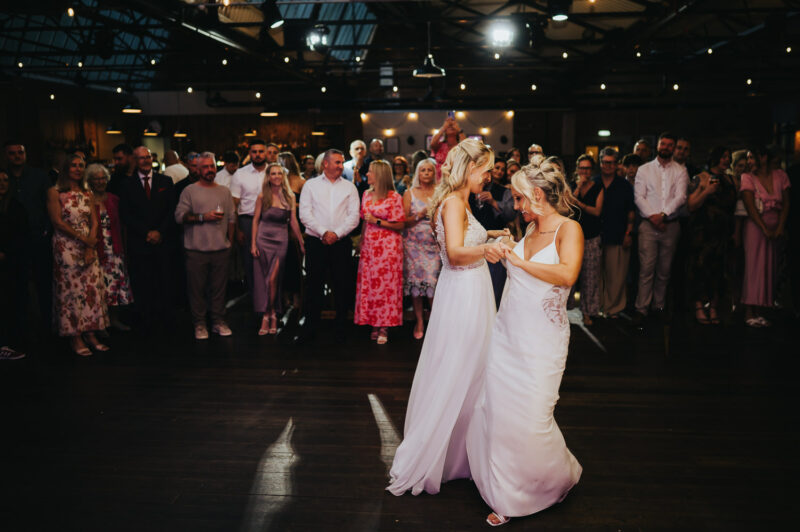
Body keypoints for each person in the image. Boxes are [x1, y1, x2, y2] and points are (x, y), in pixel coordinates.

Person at [466, 157, 583, 527]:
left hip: (544, 340)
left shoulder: (569, 229)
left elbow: (566, 274)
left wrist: (517, 261)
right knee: (501, 414)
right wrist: (505, 249)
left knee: (534, 416)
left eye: (518, 199)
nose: (514, 206)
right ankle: (507, 494)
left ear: (536, 195)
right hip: (508, 334)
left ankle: (552, 478)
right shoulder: (528, 232)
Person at [387, 139, 507, 496]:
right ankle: (443, 453)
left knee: (471, 371)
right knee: (460, 369)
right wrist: (486, 249)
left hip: (470, 290)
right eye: (485, 170)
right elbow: (455, 254)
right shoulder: (454, 203)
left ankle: (462, 454)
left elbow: (463, 241)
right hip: (464, 293)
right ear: (470, 169)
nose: (487, 177)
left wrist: (492, 234)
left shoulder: (459, 202)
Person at [47, 155, 109, 355]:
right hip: (67, 246)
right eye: (73, 165)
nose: (77, 168)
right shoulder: (55, 192)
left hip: (87, 245)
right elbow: (57, 221)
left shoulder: (87, 192)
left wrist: (91, 243)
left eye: (81, 165)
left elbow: (94, 221)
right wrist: (83, 240)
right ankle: (75, 335)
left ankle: (90, 332)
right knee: (71, 292)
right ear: (66, 167)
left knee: (91, 289)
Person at [297, 149, 360, 343]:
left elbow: (354, 216)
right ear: (325, 164)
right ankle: (310, 329)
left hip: (341, 243)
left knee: (342, 285)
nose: (341, 166)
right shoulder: (310, 186)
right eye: (338, 162)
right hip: (316, 241)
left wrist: (337, 234)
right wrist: (324, 232)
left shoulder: (350, 188)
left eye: (342, 163)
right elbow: (305, 214)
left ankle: (341, 329)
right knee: (314, 285)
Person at [174, 152, 236, 339]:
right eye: (205, 167)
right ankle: (200, 324)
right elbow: (179, 217)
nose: (210, 170)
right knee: (197, 290)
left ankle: (218, 321)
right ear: (198, 170)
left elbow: (232, 218)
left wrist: (230, 243)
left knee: (219, 290)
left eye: (212, 166)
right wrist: (203, 217)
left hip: (220, 249)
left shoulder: (224, 191)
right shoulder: (190, 191)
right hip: (196, 251)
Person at [633, 132, 688, 319]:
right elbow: (639, 196)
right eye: (663, 144)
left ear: (673, 148)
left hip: (670, 225)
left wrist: (663, 216)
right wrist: (653, 217)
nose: (666, 147)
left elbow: (681, 197)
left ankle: (659, 306)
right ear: (657, 146)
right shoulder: (644, 169)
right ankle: (641, 308)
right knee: (646, 269)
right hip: (648, 225)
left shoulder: (680, 170)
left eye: (669, 145)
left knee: (664, 270)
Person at [119, 146, 174, 330]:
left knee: (164, 282)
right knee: (143, 283)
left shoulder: (165, 181)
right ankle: (145, 322)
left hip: (162, 241)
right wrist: (146, 233)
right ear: (135, 160)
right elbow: (126, 215)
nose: (145, 160)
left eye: (148, 157)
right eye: (141, 158)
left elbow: (171, 211)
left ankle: (165, 321)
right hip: (139, 242)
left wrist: (160, 232)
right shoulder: (127, 184)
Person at [354, 160, 405, 344]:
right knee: (371, 285)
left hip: (388, 247)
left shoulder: (394, 197)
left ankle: (384, 325)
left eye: (370, 172)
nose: (367, 174)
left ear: (380, 175)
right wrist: (361, 241)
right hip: (369, 246)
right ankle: (373, 322)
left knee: (385, 286)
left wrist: (377, 221)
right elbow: (364, 222)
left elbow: (400, 225)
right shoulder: (366, 195)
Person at [4, 140, 52, 333]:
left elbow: (49, 204)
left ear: (25, 155)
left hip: (39, 235)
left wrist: (47, 230)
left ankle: (48, 324)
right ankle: (22, 326)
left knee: (44, 283)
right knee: (18, 284)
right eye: (12, 153)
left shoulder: (39, 176)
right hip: (14, 241)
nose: (16, 156)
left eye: (20, 152)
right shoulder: (3, 177)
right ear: (6, 155)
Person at [740, 146, 791, 327]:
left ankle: (761, 310)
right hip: (756, 226)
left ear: (763, 157)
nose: (749, 162)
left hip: (776, 223)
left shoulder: (780, 175)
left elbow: (786, 203)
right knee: (754, 266)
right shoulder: (747, 177)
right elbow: (749, 206)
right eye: (748, 159)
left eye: (752, 158)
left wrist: (780, 226)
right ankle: (748, 311)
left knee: (769, 266)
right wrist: (763, 228)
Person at [251, 163, 304, 336]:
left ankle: (268, 314)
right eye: (273, 173)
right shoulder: (262, 196)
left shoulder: (289, 196)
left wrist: (302, 242)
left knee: (272, 279)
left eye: (279, 173)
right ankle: (270, 313)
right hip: (262, 239)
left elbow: (294, 222)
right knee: (263, 279)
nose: (276, 176)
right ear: (268, 176)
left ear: (283, 176)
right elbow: (255, 221)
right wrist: (253, 243)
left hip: (281, 240)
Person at [686, 147, 737, 324]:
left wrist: (735, 232)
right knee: (700, 269)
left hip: (723, 233)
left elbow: (735, 210)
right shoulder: (700, 178)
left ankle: (714, 307)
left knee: (719, 271)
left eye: (728, 157)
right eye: (723, 157)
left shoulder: (732, 180)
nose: (726, 160)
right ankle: (699, 306)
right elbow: (691, 205)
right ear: (714, 158)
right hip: (703, 233)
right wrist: (706, 191)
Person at [85, 164, 133, 331]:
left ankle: (114, 319)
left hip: (115, 249)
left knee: (115, 287)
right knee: (99, 288)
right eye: (96, 178)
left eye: (103, 178)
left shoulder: (114, 199)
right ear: (89, 181)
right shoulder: (86, 199)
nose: (100, 181)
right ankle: (100, 323)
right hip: (96, 249)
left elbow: (123, 225)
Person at [403, 158, 441, 340]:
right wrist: (419, 214)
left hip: (433, 246)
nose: (426, 173)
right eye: (423, 170)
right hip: (413, 246)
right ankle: (419, 321)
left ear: (434, 173)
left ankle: (434, 323)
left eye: (429, 170)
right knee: (416, 286)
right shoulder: (409, 193)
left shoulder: (440, 192)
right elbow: (403, 221)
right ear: (417, 173)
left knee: (432, 283)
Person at [471, 158, 516, 306]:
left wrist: (493, 202)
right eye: (495, 168)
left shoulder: (505, 191)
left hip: (495, 243)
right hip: (474, 244)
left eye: (502, 170)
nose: (498, 172)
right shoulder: (471, 190)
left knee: (495, 285)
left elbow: (510, 215)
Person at [597, 149, 635, 318]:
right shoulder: (594, 182)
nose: (609, 166)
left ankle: (614, 309)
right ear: (600, 163)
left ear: (617, 164)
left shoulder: (624, 185)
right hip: (596, 235)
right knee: (597, 275)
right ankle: (598, 307)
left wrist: (628, 233)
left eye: (612, 162)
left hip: (618, 234)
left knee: (616, 275)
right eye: (606, 162)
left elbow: (631, 213)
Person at [231, 139, 268, 301]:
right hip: (247, 220)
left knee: (270, 261)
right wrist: (238, 229)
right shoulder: (240, 174)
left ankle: (271, 301)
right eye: (254, 152)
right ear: (250, 154)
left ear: (266, 152)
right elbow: (234, 205)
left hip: (269, 221)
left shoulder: (275, 171)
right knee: (250, 262)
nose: (258, 155)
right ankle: (255, 301)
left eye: (261, 151)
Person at [572, 153, 604, 325]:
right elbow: (568, 206)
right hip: (572, 239)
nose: (584, 171)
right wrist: (577, 189)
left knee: (590, 277)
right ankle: (567, 310)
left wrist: (582, 206)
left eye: (587, 168)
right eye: (582, 168)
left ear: (592, 170)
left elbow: (597, 211)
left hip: (591, 237)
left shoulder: (598, 187)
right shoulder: (571, 186)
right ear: (577, 169)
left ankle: (588, 312)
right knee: (571, 277)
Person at [0, 168, 27, 359]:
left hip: (13, 261)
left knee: (12, 301)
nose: (2, 183)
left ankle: (10, 341)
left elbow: (21, 234)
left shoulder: (16, 206)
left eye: (5, 180)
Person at [278, 151, 307, 314]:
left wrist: (292, 206)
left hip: (295, 228)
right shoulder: (275, 182)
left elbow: (306, 205)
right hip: (279, 226)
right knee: (281, 265)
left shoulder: (301, 182)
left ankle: (297, 297)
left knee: (295, 263)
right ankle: (284, 297)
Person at [430, 114, 466, 179]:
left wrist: (459, 129)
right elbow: (432, 143)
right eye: (448, 126)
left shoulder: (461, 147)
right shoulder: (439, 146)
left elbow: (468, 146)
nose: (451, 126)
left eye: (453, 126)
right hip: (440, 181)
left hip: (457, 180)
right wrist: (443, 128)